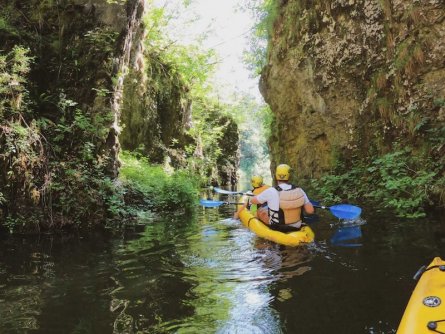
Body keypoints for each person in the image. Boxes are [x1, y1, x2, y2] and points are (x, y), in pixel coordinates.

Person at [250, 164, 314, 229]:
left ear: (276, 176)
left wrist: (257, 197)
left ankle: (259, 227)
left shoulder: (271, 191)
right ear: (289, 176)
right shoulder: (299, 190)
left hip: (277, 226)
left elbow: (253, 201)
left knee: (260, 210)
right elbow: (310, 211)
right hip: (297, 225)